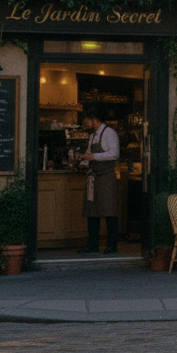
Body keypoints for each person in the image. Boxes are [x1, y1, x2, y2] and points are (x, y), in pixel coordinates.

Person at [79, 109, 120, 254]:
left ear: (93, 119)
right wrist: (83, 162)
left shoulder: (109, 133)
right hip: (93, 177)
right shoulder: (92, 136)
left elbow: (114, 154)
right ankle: (92, 244)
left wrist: (93, 157)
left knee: (109, 210)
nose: (84, 123)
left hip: (107, 176)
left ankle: (112, 245)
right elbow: (90, 156)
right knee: (92, 211)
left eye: (85, 120)